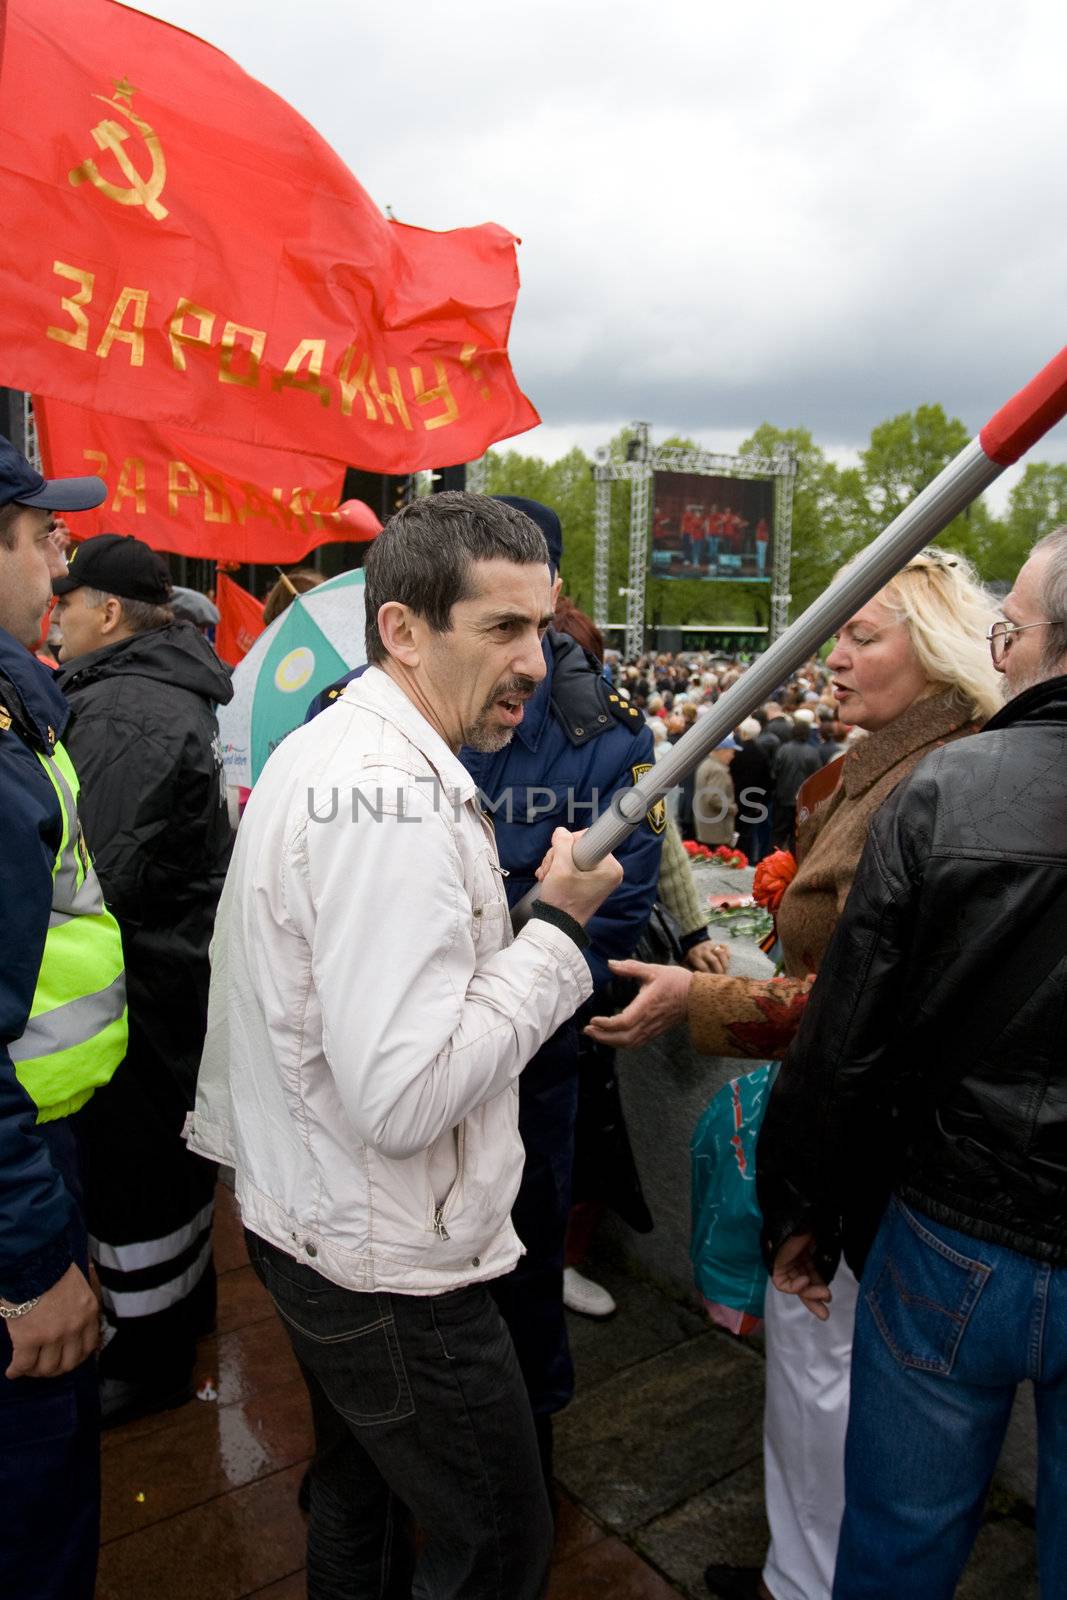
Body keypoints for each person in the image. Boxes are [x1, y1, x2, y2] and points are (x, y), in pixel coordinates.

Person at [188, 493, 623, 1600]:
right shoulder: (386, 798)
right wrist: (557, 929)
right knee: (495, 1538)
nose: (533, 660)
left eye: (539, 626)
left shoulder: (341, 745)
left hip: (323, 1222)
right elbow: (406, 1092)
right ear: (402, 630)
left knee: (359, 1492)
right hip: (386, 1265)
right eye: (500, 629)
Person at [584, 548, 1001, 1600]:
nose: (836, 654)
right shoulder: (896, 763)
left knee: (829, 1380)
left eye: (864, 635)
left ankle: (805, 1579)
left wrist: (699, 999)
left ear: (941, 651)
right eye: (838, 632)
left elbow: (877, 1003)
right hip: (865, 1134)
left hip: (874, 1147)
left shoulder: (928, 778)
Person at [758, 527, 1067, 1600]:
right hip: (957, 1216)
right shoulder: (929, 781)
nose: (1002, 648)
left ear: (1032, 644)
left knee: (896, 1542)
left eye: (1009, 629)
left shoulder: (943, 790)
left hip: (949, 1232)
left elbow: (846, 1038)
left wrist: (801, 1210)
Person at [52, 534, 234, 1426]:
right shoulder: (147, 691)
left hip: (141, 998)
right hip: (166, 986)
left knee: (138, 1185)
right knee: (163, 1176)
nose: (56, 620)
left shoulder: (125, 710)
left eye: (68, 603)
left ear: (110, 612)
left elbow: (91, 877)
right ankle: (174, 1321)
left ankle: (152, 1359)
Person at [0, 437, 127, 1600]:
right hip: (18, 1167)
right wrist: (33, 1258)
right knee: (33, 1511)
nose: (59, 560)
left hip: (41, 1139)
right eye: (43, 535)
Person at [770, 721, 821, 850]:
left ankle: (772, 862)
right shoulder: (813, 752)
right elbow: (816, 777)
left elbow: (774, 772)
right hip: (802, 801)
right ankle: (792, 864)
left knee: (778, 834)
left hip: (783, 798)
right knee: (797, 835)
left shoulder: (783, 749)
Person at [693, 737, 739, 845]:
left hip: (706, 826)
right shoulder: (718, 770)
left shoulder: (705, 764)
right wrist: (732, 808)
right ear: (722, 751)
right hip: (717, 829)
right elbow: (714, 798)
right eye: (731, 752)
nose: (733, 756)